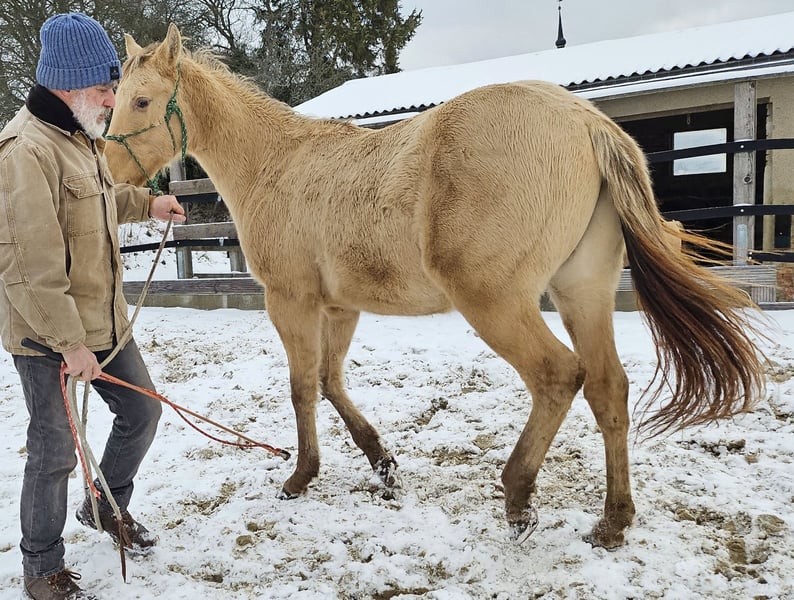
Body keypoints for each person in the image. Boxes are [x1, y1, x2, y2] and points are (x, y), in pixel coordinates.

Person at [0, 12, 186, 600]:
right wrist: (69, 345)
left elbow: (97, 203)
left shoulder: (81, 136)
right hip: (47, 334)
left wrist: (146, 203)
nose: (112, 99)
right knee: (54, 450)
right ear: (70, 84)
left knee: (142, 412)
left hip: (104, 321)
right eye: (106, 88)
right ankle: (42, 568)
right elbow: (28, 268)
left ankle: (105, 505)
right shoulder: (23, 151)